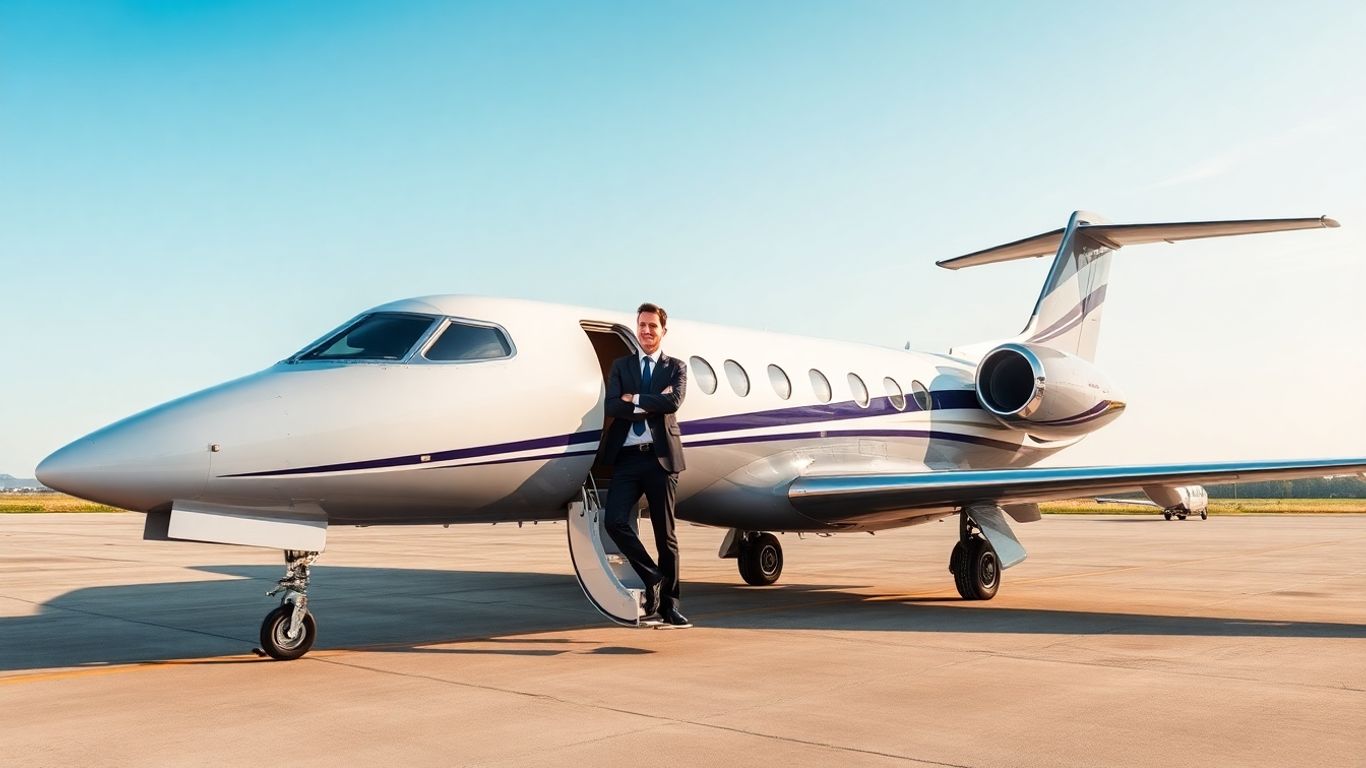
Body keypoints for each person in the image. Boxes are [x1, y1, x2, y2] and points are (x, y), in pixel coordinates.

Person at [601, 302, 690, 628]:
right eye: (642, 325)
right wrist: (649, 402)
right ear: (636, 328)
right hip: (627, 457)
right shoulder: (621, 366)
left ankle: (669, 607)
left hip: (661, 458)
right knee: (614, 522)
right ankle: (652, 575)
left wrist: (634, 399)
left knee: (665, 536)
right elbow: (613, 405)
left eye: (653, 326)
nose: (647, 331)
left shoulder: (675, 367)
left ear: (663, 331)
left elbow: (672, 401)